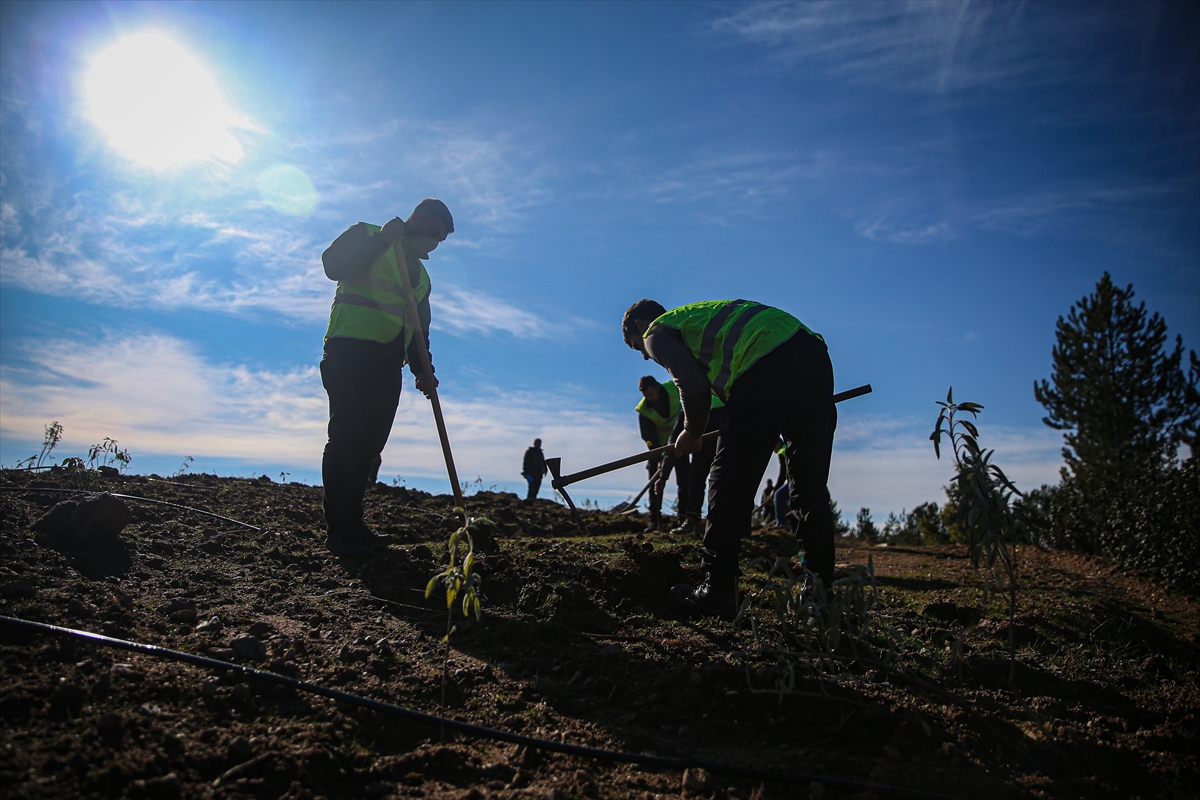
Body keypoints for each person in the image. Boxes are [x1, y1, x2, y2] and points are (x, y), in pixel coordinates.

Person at [622, 298, 836, 619]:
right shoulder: (695, 317)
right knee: (808, 482)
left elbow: (691, 387)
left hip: (764, 359)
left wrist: (693, 431)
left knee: (727, 478)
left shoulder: (657, 332)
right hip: (812, 352)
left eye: (636, 346)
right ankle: (818, 589)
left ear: (640, 326)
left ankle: (718, 587)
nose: (643, 354)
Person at [319, 199, 454, 558]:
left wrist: (423, 370)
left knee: (369, 445)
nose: (434, 243)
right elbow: (334, 266)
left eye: (440, 239)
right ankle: (340, 530)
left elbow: (418, 330)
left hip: (386, 364)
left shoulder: (420, 278)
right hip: (349, 352)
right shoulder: (366, 234)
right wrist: (382, 241)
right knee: (346, 438)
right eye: (433, 233)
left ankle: (354, 523)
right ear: (418, 218)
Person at [636, 375, 688, 531]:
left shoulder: (674, 388)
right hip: (658, 449)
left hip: (679, 445)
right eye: (646, 396)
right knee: (655, 484)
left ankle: (684, 518)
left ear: (657, 388)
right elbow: (649, 438)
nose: (650, 399)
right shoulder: (644, 411)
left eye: (651, 394)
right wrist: (658, 457)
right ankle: (654, 520)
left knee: (684, 482)